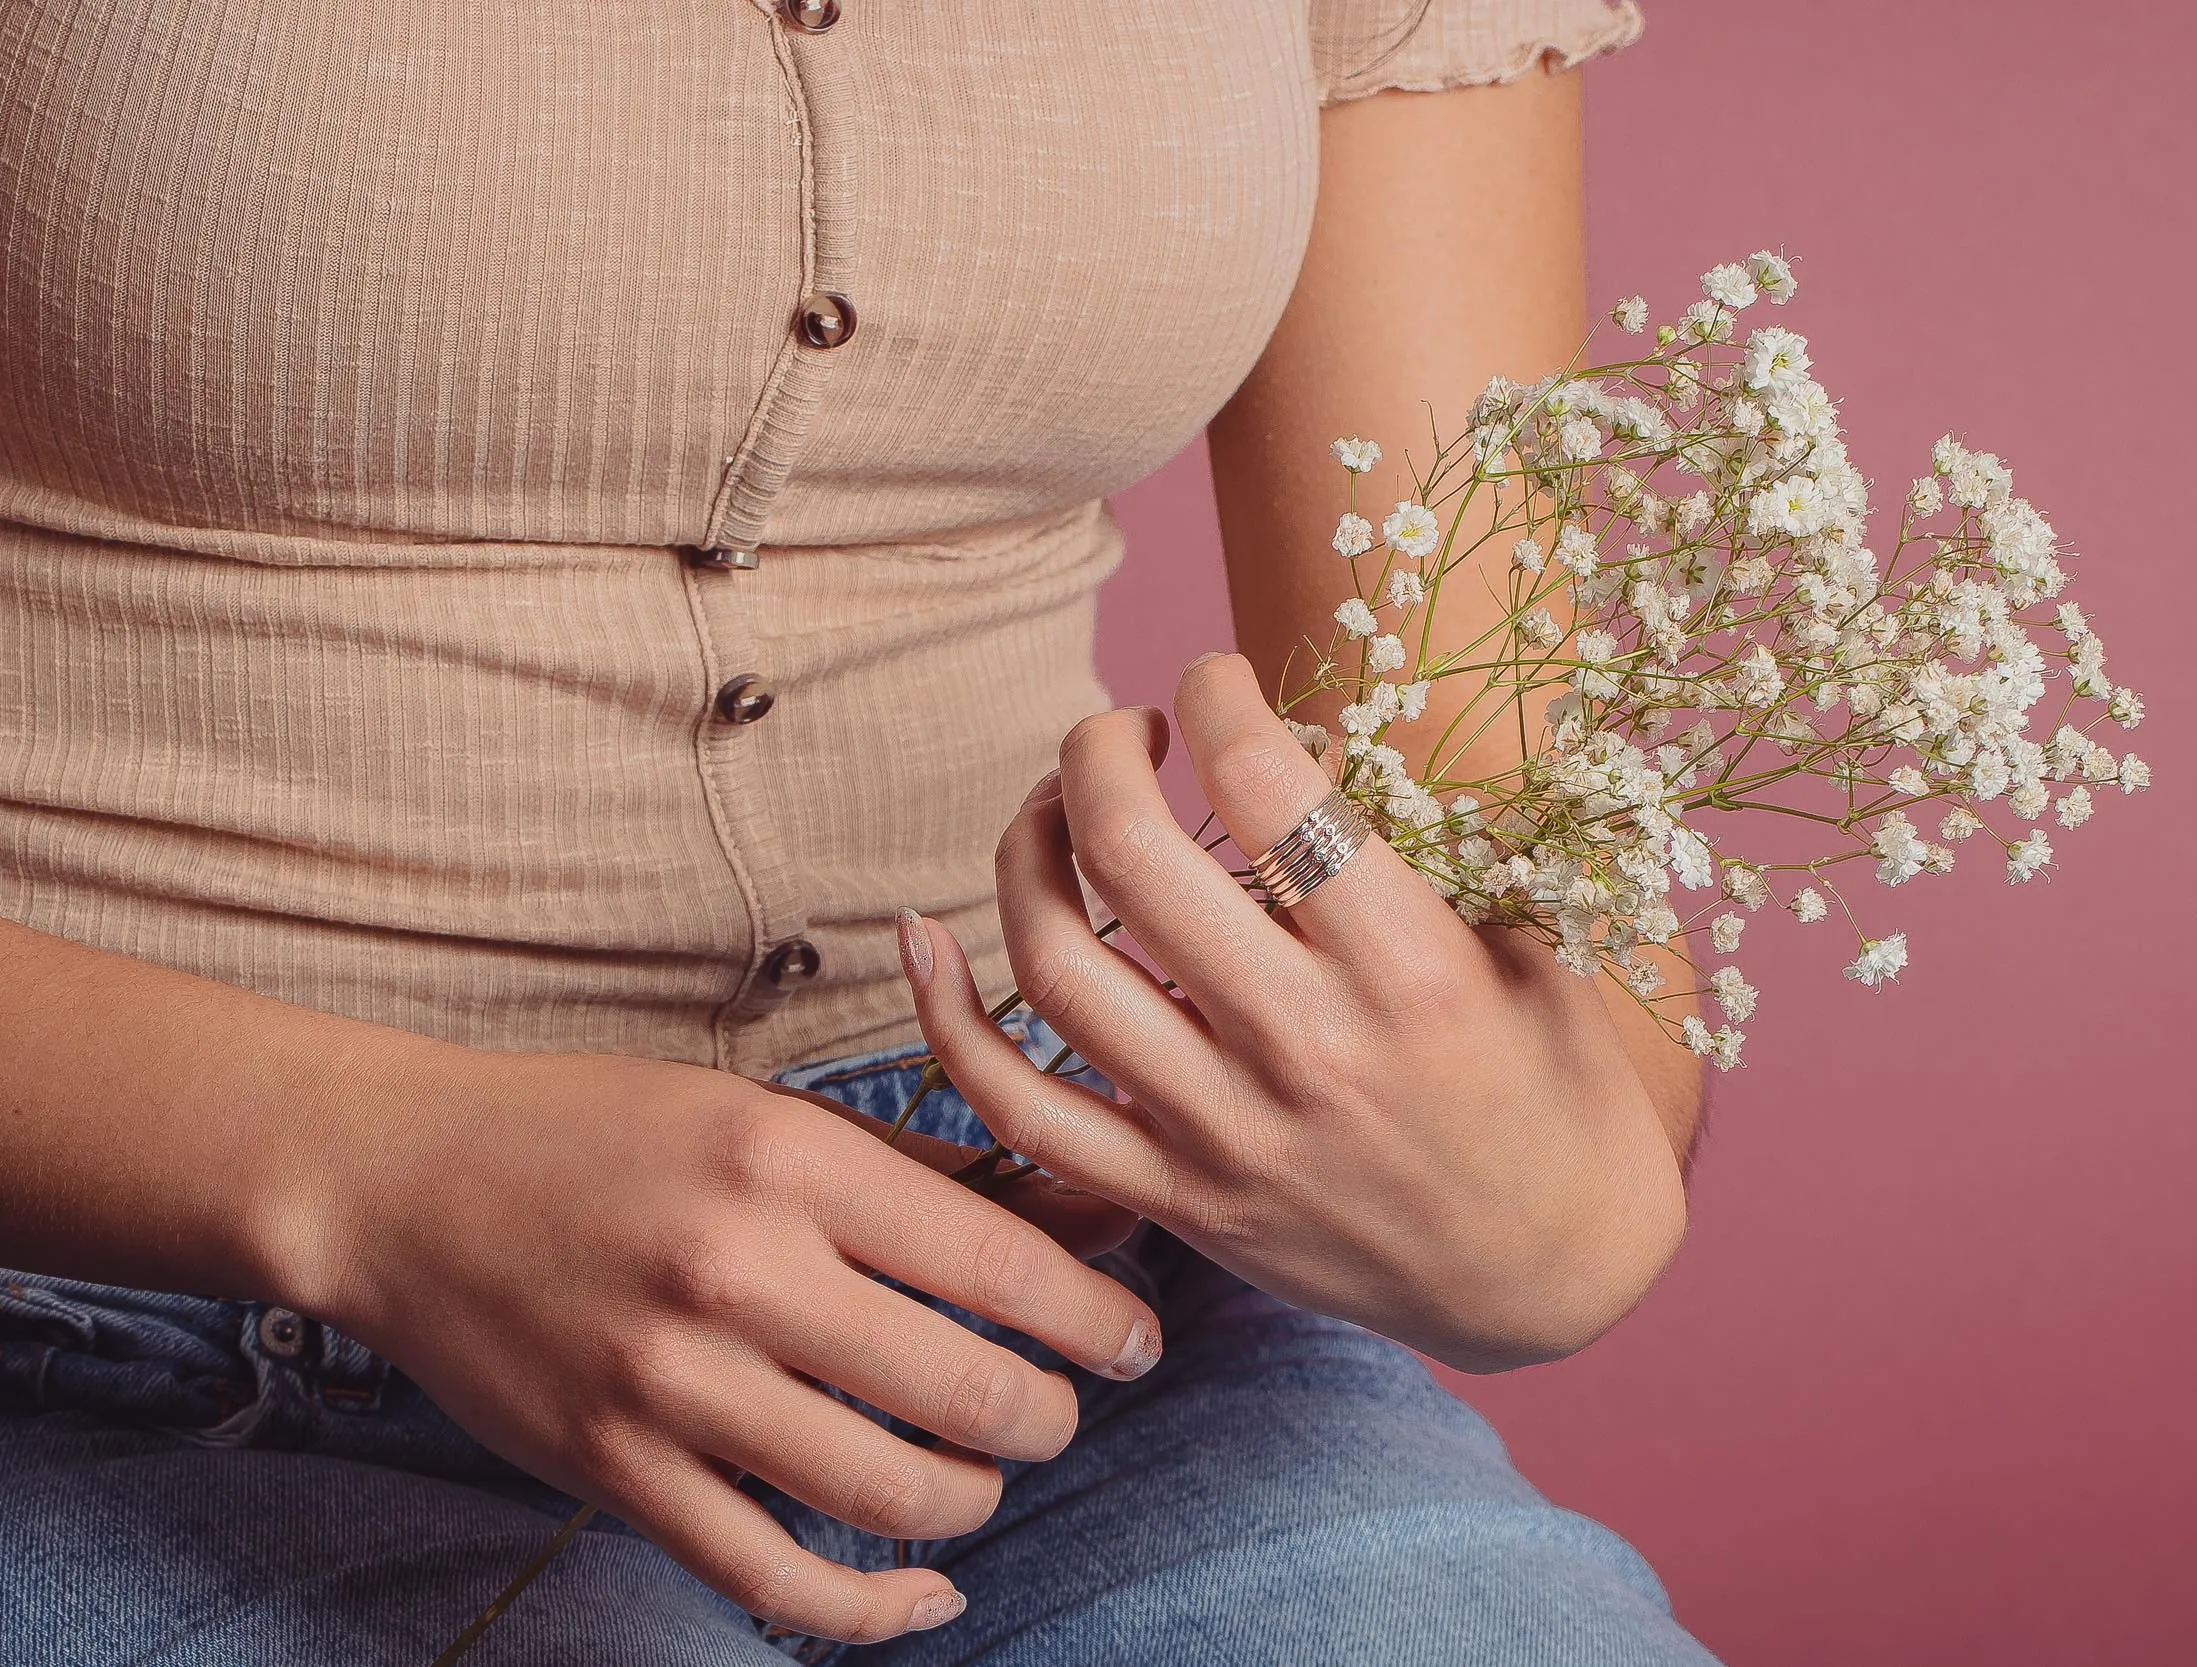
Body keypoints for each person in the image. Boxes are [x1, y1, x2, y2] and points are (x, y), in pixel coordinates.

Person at [0, 3, 1720, 1661]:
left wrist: (1558, 1192)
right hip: (110, 1327)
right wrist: (366, 1173)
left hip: (1041, 1288)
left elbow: (1494, 776)